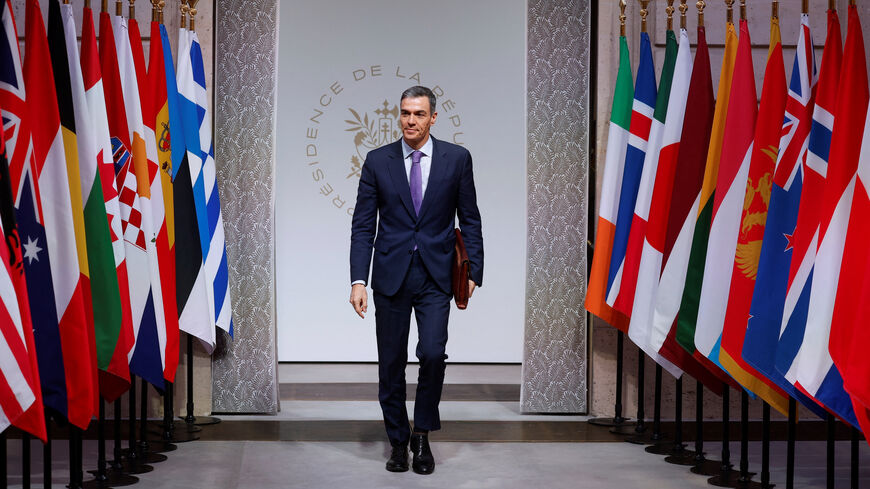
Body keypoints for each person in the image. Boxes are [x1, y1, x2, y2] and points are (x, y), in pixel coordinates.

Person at [349, 86, 484, 475]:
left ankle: (421, 434)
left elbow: (470, 218)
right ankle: (398, 441)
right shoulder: (378, 161)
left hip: (436, 276)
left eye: (419, 114)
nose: (411, 120)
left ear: (433, 118)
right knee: (391, 363)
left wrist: (473, 269)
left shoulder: (457, 159)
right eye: (406, 113)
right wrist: (358, 280)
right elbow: (363, 226)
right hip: (390, 276)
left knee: (432, 353)